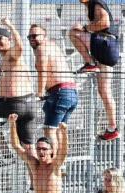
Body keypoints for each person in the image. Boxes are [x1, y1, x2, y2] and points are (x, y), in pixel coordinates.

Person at [68, 0, 120, 141]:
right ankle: (112, 128)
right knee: (104, 91)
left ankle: (90, 62)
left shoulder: (96, 4)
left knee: (73, 33)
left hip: (105, 44)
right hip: (110, 49)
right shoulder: (93, 5)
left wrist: (85, 27)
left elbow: (105, 23)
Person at [0, 18, 37, 149]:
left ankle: (3, 153)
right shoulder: (8, 59)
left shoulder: (11, 54)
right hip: (27, 105)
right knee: (28, 146)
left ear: (9, 40)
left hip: (13, 104)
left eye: (0, 38)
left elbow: (20, 46)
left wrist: (10, 25)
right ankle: (36, 168)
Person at [28, 24, 78, 154]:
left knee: (50, 130)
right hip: (71, 93)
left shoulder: (41, 49)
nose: (32, 39)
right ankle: (61, 162)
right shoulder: (53, 47)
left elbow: (42, 71)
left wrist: (39, 93)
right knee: (60, 130)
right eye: (29, 37)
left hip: (60, 92)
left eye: (35, 36)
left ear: (45, 36)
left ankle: (55, 164)